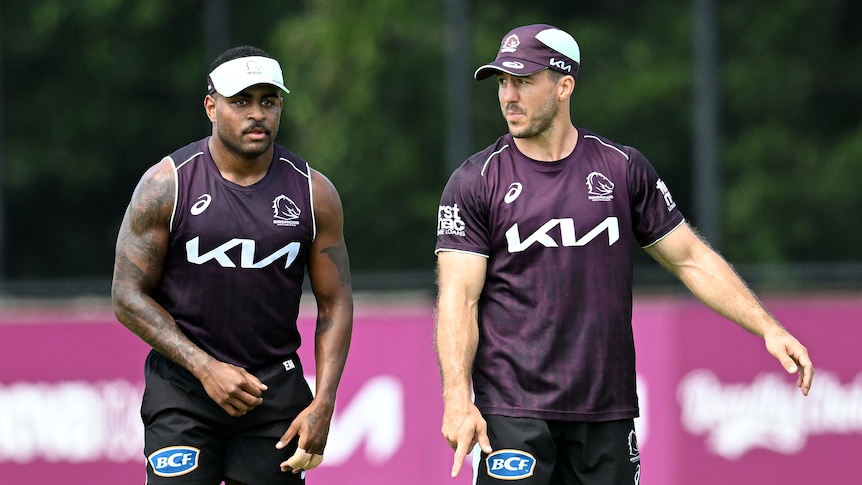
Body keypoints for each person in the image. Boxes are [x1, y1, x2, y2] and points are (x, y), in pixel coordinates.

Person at [434, 24, 814, 484]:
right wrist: (457, 399)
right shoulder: (476, 181)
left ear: (564, 85)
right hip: (513, 414)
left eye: (524, 81)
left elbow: (690, 257)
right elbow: (460, 299)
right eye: (502, 82)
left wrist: (767, 328)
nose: (508, 96)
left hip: (605, 413)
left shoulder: (622, 168)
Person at [111, 45, 353, 485]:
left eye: (268, 100)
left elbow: (335, 303)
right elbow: (127, 296)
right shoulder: (168, 184)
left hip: (272, 394)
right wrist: (205, 367)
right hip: (183, 390)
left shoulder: (315, 194)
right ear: (211, 107)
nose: (256, 113)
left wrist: (323, 403)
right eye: (241, 101)